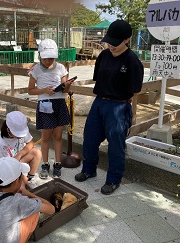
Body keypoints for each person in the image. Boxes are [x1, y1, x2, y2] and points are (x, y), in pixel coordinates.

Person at [75, 20, 144, 195]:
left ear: (126, 40)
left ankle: (113, 179)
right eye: (109, 42)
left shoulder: (132, 61)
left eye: (115, 42)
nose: (111, 46)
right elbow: (98, 77)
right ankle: (89, 169)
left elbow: (135, 89)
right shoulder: (104, 56)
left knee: (115, 144)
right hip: (99, 102)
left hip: (119, 106)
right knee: (89, 138)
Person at [0, 157, 55, 243]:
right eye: (21, 177)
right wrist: (27, 193)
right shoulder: (19, 201)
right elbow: (51, 209)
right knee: (34, 213)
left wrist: (7, 184)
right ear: (16, 180)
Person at [28, 38, 72, 179]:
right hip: (45, 104)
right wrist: (44, 90)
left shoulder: (60, 68)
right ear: (40, 55)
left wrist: (67, 85)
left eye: (51, 58)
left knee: (58, 136)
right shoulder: (35, 70)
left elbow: (65, 90)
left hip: (59, 103)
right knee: (45, 137)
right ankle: (45, 164)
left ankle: (58, 164)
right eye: (46, 58)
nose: (49, 61)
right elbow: (30, 90)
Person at [0, 111, 42, 186]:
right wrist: (22, 178)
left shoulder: (22, 130)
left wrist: (20, 154)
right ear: (8, 130)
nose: (20, 137)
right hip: (3, 165)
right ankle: (23, 182)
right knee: (14, 186)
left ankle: (30, 178)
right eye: (18, 135)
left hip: (16, 158)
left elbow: (30, 143)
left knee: (36, 152)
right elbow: (4, 165)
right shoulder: (1, 142)